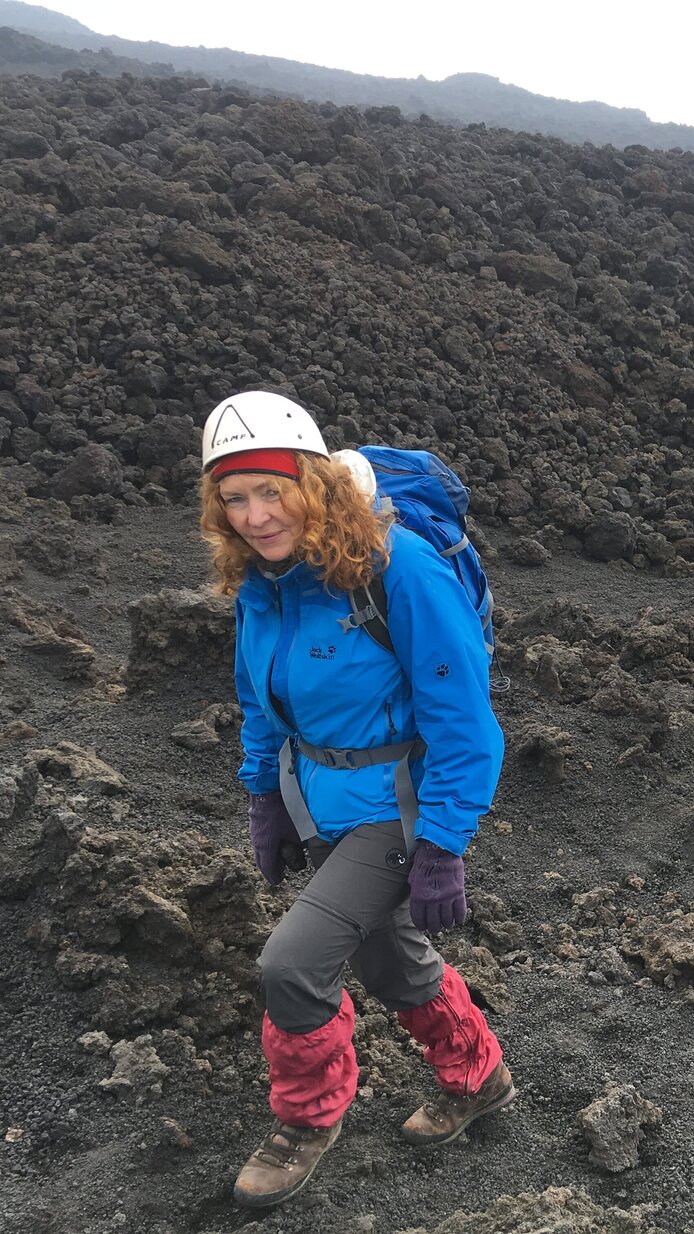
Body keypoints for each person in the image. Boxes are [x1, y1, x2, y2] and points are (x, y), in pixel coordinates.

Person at [199, 390, 514, 1210]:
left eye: (273, 490)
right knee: (386, 957)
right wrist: (265, 797)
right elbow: (258, 699)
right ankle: (479, 1078)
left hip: (400, 808)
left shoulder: (394, 565)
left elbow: (465, 719)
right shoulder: (262, 584)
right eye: (234, 498)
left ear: (315, 480)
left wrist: (443, 844)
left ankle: (307, 1120)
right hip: (322, 802)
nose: (257, 516)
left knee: (291, 964)